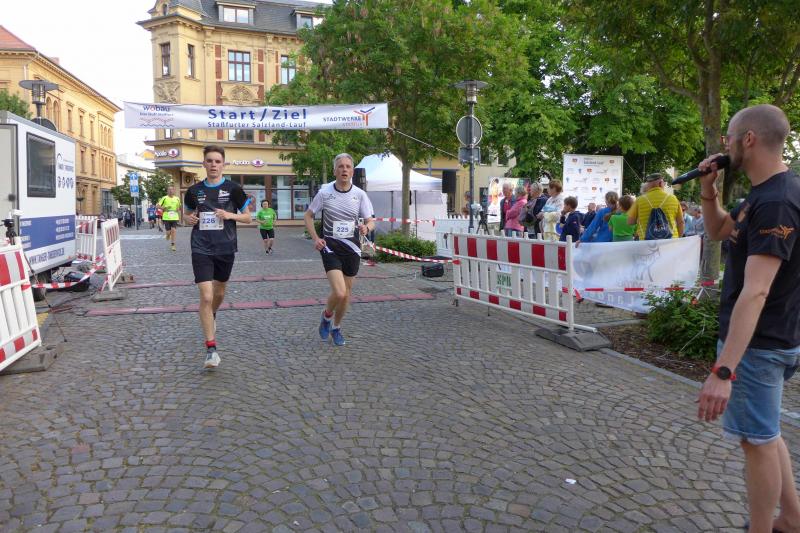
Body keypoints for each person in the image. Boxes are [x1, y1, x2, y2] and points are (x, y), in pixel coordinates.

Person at [695, 104, 800, 533]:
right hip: (767, 340)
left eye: (730, 137)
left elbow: (757, 290)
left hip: (758, 345)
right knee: (765, 434)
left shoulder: (776, 202)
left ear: (749, 139)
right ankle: (791, 520)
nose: (726, 145)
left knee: (756, 443)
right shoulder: (763, 194)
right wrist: (709, 192)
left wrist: (724, 370)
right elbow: (721, 231)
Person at [183, 145, 251, 369]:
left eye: (217, 161)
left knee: (219, 292)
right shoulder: (194, 191)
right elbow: (187, 214)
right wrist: (189, 219)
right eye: (209, 161)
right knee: (206, 295)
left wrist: (229, 215)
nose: (213, 165)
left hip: (225, 247)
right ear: (203, 163)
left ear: (223, 164)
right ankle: (211, 350)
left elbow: (248, 218)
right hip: (200, 247)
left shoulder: (234, 189)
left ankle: (212, 313)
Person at [304, 153, 375, 347]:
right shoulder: (325, 193)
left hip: (352, 249)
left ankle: (336, 327)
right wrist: (316, 238)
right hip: (330, 248)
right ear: (335, 170)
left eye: (348, 167)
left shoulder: (359, 194)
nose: (344, 169)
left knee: (347, 294)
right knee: (340, 292)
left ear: (352, 171)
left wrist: (366, 228)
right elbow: (308, 216)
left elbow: (371, 220)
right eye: (341, 166)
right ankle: (326, 316)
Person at [627, 173, 684, 240]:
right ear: (660, 183)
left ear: (648, 185)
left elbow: (630, 222)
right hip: (670, 241)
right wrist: (679, 238)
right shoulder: (673, 198)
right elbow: (681, 222)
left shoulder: (639, 200)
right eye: (664, 183)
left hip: (646, 241)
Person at [158, 185, 182, 252]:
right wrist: (163, 208)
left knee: (173, 230)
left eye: (172, 189)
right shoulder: (164, 198)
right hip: (166, 217)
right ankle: (168, 235)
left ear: (174, 191)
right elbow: (158, 206)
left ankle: (173, 244)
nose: (171, 191)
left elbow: (180, 207)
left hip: (174, 216)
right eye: (169, 189)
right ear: (167, 191)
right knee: (168, 232)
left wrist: (178, 209)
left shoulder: (177, 198)